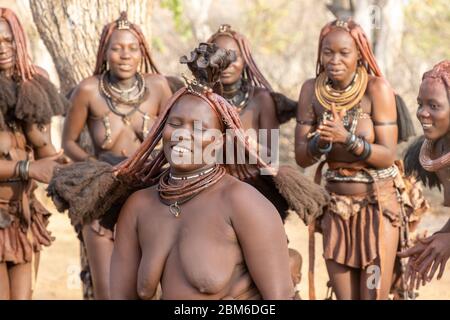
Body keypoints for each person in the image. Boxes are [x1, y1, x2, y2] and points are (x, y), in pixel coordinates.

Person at [108, 43, 295, 299]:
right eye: (175, 124)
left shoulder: (242, 203)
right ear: (161, 130)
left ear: (219, 140)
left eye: (199, 128)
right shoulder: (139, 206)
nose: (184, 135)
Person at [61, 12, 172, 299]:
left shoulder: (158, 86)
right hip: (102, 194)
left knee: (150, 286)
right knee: (108, 292)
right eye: (117, 48)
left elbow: (175, 134)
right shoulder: (88, 90)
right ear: (105, 53)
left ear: (142, 52)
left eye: (132, 48)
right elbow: (69, 142)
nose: (125, 55)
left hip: (149, 190)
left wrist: (157, 162)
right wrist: (97, 170)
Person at [295, 18, 402, 300]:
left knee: (373, 295)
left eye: (344, 53)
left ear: (359, 55)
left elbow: (388, 156)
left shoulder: (376, 90)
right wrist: (322, 140)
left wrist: (348, 140)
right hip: (336, 209)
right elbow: (302, 158)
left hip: (377, 208)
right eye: (328, 52)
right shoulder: (311, 91)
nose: (335, 60)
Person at [0, 8, 67, 299]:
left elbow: (46, 153)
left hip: (24, 212)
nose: (2, 49)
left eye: (8, 41)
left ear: (20, 40)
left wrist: (63, 168)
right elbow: (33, 166)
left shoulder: (34, 82)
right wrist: (26, 168)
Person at [400, 60, 450, 290]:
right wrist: (438, 239)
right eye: (420, 104)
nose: (422, 113)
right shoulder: (440, 147)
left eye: (434, 106)